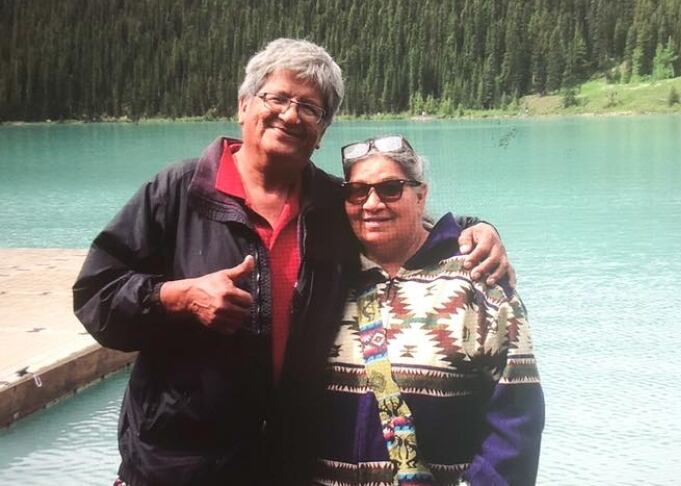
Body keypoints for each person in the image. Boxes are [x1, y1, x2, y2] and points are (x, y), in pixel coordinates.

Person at [72, 39, 513, 485]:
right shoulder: (177, 192)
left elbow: (398, 224)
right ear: (244, 106)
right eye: (278, 97)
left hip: (288, 467)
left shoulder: (331, 205)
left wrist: (474, 229)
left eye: (311, 107)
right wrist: (176, 296)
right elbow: (96, 299)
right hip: (175, 468)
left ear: (321, 131)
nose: (291, 114)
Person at [314, 135, 544, 486]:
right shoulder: (325, 278)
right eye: (357, 191)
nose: (371, 203)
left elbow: (515, 420)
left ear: (420, 195)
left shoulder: (480, 283)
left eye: (390, 189)